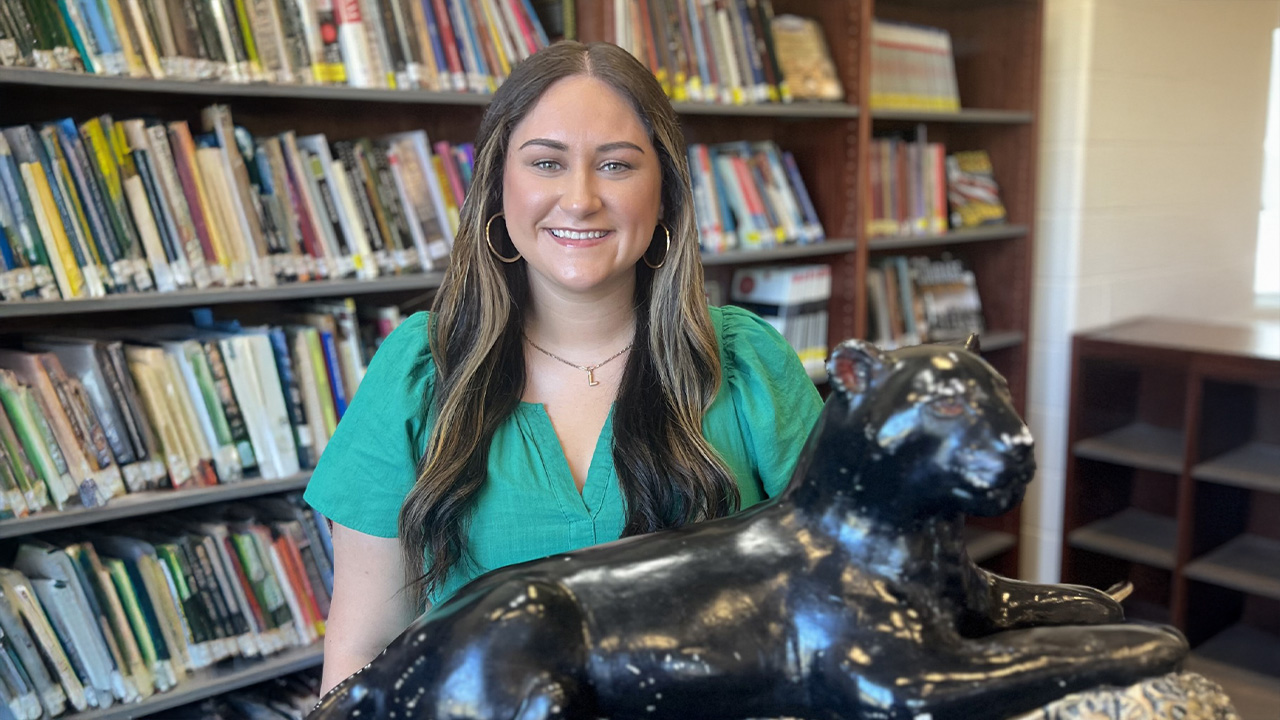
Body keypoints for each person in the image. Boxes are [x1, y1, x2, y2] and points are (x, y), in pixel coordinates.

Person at [304, 40, 824, 694]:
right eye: (547, 162)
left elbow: (833, 597)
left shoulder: (747, 362)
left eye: (615, 165)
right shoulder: (419, 372)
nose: (579, 199)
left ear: (663, 192)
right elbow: (363, 650)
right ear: (499, 186)